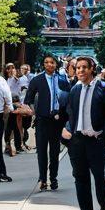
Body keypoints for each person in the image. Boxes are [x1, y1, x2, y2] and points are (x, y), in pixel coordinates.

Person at [61, 56, 105, 210]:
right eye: (77, 68)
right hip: (77, 141)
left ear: (92, 69)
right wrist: (68, 129)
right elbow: (71, 113)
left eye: (84, 67)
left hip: (96, 140)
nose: (80, 71)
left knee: (100, 179)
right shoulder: (75, 90)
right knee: (80, 178)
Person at [25, 54, 70, 191]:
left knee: (54, 152)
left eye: (52, 62)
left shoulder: (63, 80)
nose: (49, 64)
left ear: (56, 64)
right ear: (43, 64)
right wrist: (34, 112)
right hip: (42, 120)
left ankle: (54, 178)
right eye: (46, 62)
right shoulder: (37, 80)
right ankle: (43, 179)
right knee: (42, 152)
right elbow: (29, 98)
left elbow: (68, 99)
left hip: (57, 120)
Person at [4, 63, 25, 156]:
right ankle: (12, 145)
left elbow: (19, 92)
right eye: (9, 68)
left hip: (15, 104)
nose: (11, 70)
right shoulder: (5, 80)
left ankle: (13, 145)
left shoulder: (16, 79)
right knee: (11, 126)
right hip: (7, 105)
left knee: (13, 126)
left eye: (12, 68)